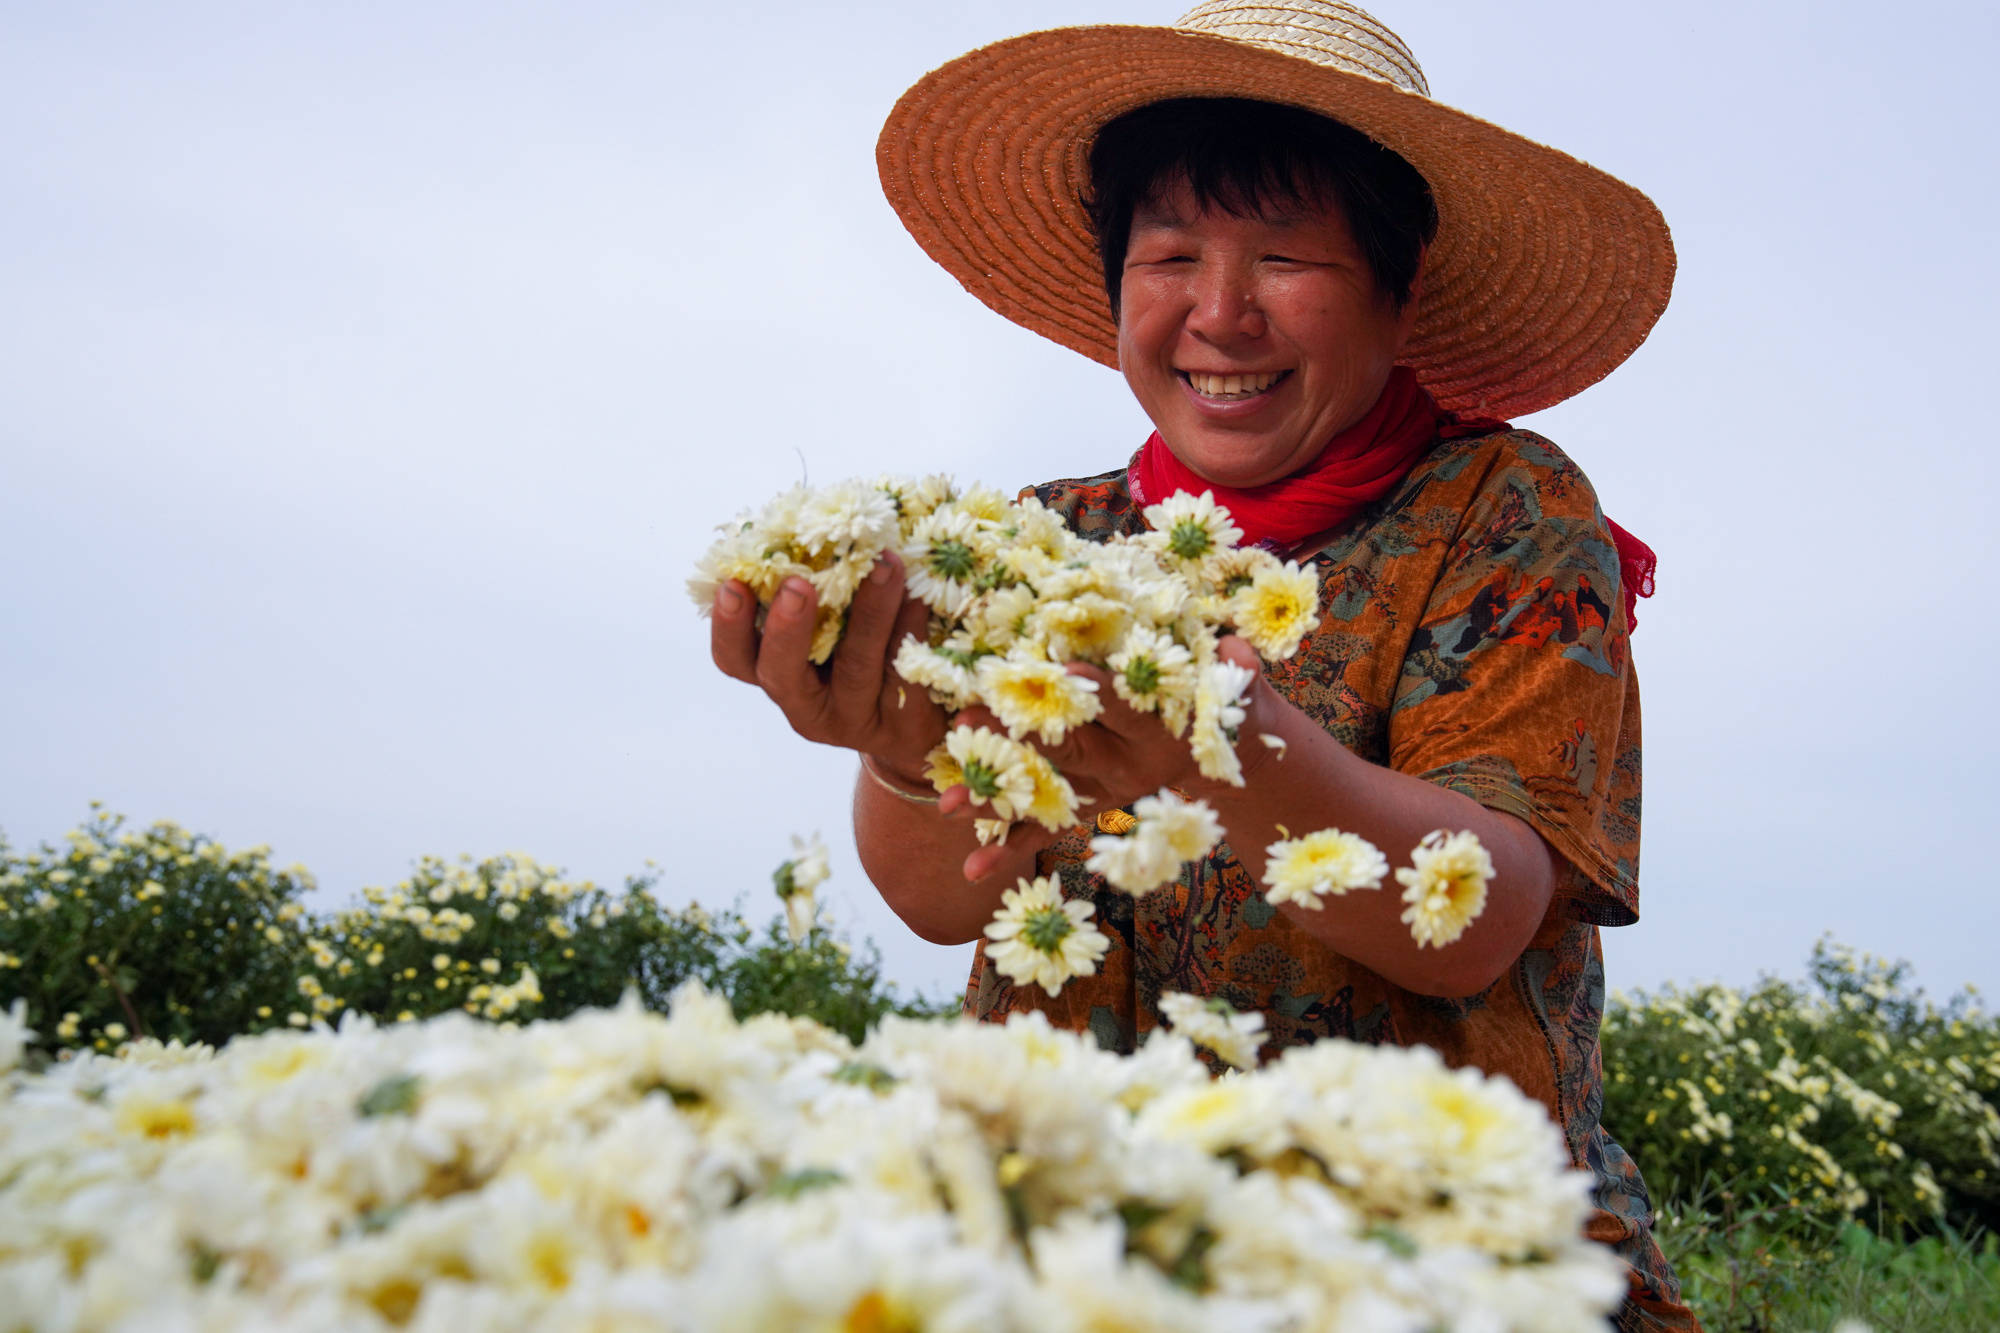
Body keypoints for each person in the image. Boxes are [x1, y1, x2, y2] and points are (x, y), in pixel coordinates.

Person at [710, 2, 1695, 1327]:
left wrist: (1224, 742)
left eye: (1285, 258)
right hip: (1076, 1258)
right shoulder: (1042, 538)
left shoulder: (1504, 512)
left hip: (1431, 1267)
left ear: (1399, 296)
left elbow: (1481, 913)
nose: (1220, 313)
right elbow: (946, 900)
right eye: (1170, 253)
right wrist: (899, 739)